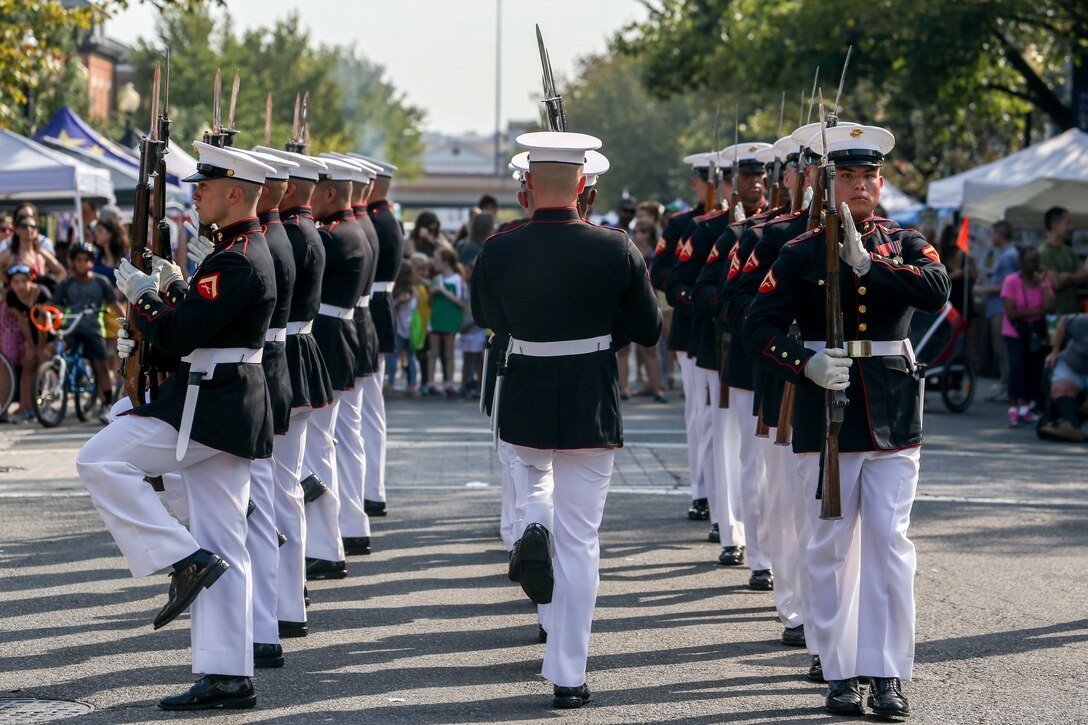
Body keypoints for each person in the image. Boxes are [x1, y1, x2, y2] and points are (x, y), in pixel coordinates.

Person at [745, 123, 950, 718]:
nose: (860, 186)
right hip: (825, 414)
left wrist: (868, 266)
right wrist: (803, 363)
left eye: (869, 176)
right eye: (848, 176)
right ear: (827, 183)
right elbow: (758, 325)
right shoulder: (800, 251)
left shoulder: (905, 242)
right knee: (830, 544)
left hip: (892, 412)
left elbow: (936, 290)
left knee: (890, 544)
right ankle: (838, 669)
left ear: (881, 183)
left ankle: (886, 672)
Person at [76, 142, 279, 710]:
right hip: (229, 402)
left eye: (206, 186)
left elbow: (179, 335)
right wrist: (172, 292)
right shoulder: (243, 250)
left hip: (208, 403)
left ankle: (180, 558)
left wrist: (144, 302)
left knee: (98, 459)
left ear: (234, 193)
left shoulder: (236, 259)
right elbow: (202, 323)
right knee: (225, 541)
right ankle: (228, 674)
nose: (197, 194)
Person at [473, 130, 661, 709]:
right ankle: (568, 674)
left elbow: (489, 318)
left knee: (532, 477)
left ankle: (534, 522)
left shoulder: (499, 247)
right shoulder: (615, 246)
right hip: (590, 395)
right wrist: (599, 338)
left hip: (527, 388)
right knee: (581, 541)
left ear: (528, 184)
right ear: (583, 183)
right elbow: (648, 328)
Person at [256, 146, 335, 639]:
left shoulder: (284, 236)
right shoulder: (305, 231)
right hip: (297, 354)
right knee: (284, 486)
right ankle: (290, 596)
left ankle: (284, 600)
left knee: (276, 490)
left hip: (281, 358)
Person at [300, 157, 369, 580]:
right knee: (322, 445)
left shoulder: (333, 235)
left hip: (327, 341)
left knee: (317, 448)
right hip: (336, 338)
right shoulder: (348, 229)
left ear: (329, 192)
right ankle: (329, 540)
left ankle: (326, 546)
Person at [649, 152, 712, 520]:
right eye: (710, 180)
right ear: (696, 183)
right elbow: (660, 271)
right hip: (693, 329)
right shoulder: (682, 223)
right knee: (700, 414)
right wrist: (689, 294)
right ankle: (702, 490)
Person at [360, 155, 405, 518]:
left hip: (370, 310)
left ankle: (370, 489)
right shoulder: (385, 218)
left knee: (366, 411)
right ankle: (370, 489)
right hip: (377, 309)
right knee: (369, 410)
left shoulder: (376, 220)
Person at [48, 244, 124, 422]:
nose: (82, 264)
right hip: (71, 327)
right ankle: (54, 383)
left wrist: (126, 322)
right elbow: (53, 304)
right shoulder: (67, 284)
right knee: (56, 350)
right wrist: (43, 311)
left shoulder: (100, 282)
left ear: (92, 262)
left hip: (93, 328)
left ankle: (107, 403)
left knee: (101, 364)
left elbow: (114, 304)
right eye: (78, 260)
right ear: (72, 262)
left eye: (86, 260)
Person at [1001, 247, 1055, 427]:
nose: (1032, 264)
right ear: (1021, 263)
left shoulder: (1042, 281)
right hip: (1014, 331)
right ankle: (1012, 408)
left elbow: (1049, 307)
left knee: (1032, 368)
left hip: (1035, 333)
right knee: (1016, 367)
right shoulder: (1011, 281)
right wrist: (1038, 311)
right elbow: (1011, 312)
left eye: (1035, 260)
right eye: (1029, 260)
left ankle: (1025, 408)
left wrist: (1044, 284)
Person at [975, 221, 1020, 400]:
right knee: (1000, 350)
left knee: (1003, 350)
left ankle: (1008, 388)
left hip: (1001, 309)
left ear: (1000, 234)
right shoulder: (1005, 253)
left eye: (993, 233)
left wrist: (984, 289)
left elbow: (1008, 285)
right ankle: (1005, 386)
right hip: (996, 308)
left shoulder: (1008, 255)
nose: (991, 237)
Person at [4, 264, 51, 422]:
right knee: (28, 364)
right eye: (16, 282)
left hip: (49, 332)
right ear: (11, 284)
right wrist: (31, 347)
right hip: (31, 332)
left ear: (31, 280)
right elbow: (22, 322)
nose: (20, 286)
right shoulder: (11, 297)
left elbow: (43, 323)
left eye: (24, 281)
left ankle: (48, 406)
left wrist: (41, 348)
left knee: (44, 361)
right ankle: (25, 407)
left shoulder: (41, 293)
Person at [1041, 313, 1088, 441]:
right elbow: (1063, 321)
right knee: (1061, 388)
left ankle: (1070, 424)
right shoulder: (1083, 322)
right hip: (1072, 364)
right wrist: (1054, 352)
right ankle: (1070, 425)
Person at [426, 246, 465, 397]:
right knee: (433, 353)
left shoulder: (457, 279)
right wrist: (433, 291)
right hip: (436, 319)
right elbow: (430, 300)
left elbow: (461, 302)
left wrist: (443, 291)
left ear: (445, 261)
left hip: (450, 320)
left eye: (436, 260)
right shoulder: (437, 278)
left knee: (449, 353)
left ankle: (449, 383)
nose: (434, 263)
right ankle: (430, 383)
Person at [1038, 207, 1087, 315]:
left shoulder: (1069, 251)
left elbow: (1083, 276)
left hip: (1074, 313)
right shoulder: (1044, 252)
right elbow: (1056, 283)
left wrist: (1067, 276)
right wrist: (1073, 277)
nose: (1071, 227)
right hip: (1056, 315)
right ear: (1054, 225)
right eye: (1067, 223)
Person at [0, 211, 65, 288]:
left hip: (39, 295)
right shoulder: (9, 253)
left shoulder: (42, 254)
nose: (28, 229)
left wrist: (51, 288)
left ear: (37, 231)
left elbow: (62, 272)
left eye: (32, 226)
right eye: (24, 226)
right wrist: (6, 287)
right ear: (16, 230)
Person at [386, 263, 419, 394]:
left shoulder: (396, 290)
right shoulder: (414, 290)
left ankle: (391, 382)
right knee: (411, 357)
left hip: (398, 328)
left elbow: (392, 308)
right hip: (411, 328)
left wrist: (398, 301)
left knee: (393, 357)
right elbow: (415, 307)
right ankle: (413, 385)